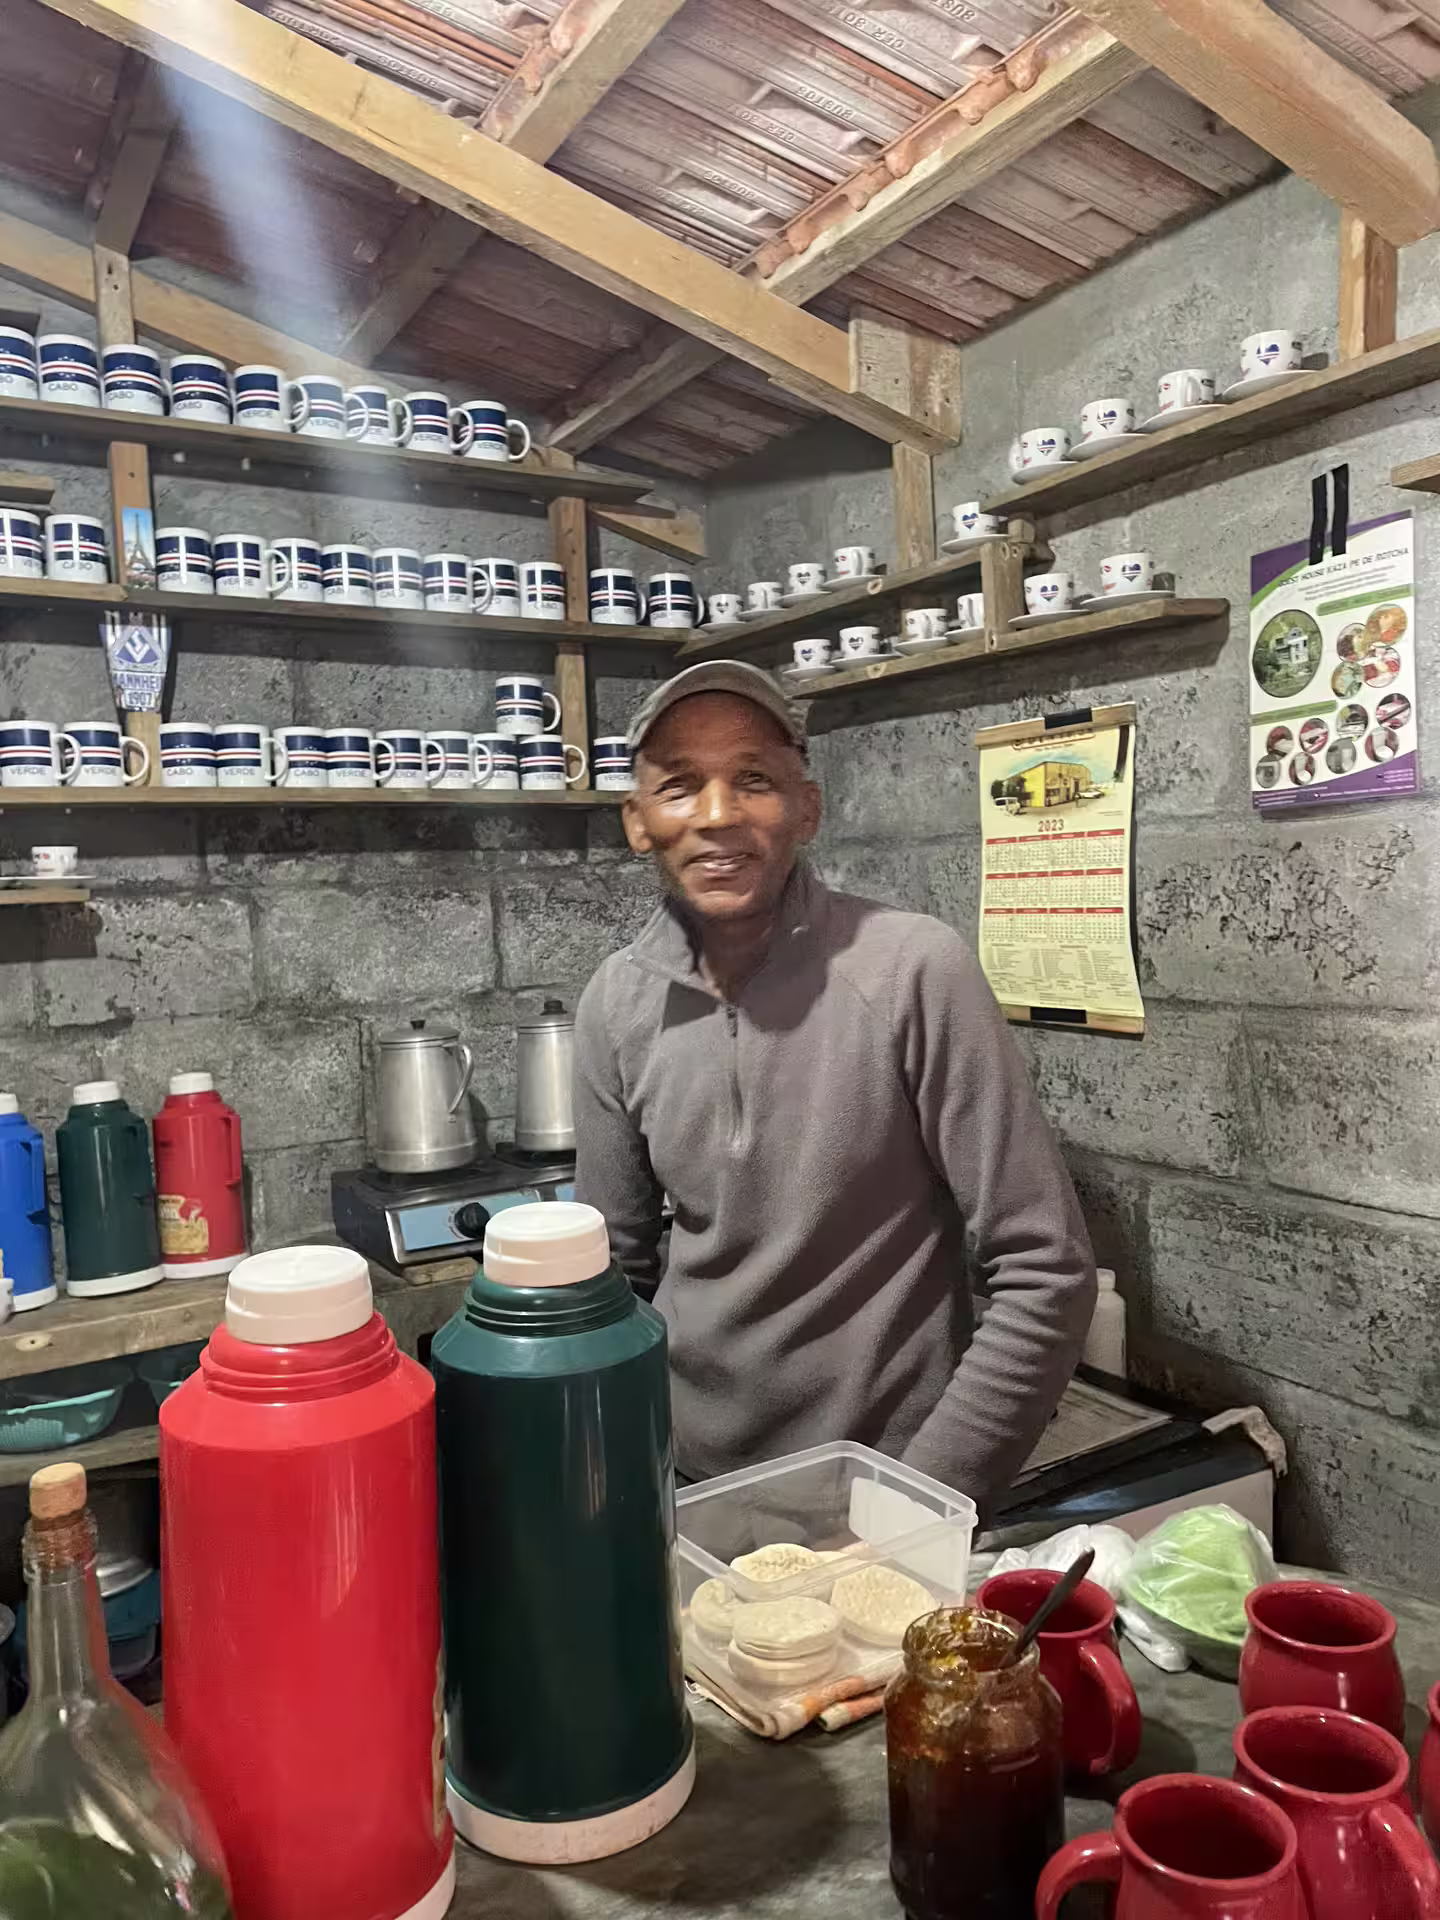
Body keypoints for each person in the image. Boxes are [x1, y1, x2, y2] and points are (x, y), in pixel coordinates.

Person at [573, 660, 1096, 1507]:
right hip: (686, 1484)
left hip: (881, 1484)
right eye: (680, 786)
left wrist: (921, 1500)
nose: (717, 816)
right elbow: (611, 1285)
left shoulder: (912, 970)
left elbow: (1046, 1268)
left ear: (806, 808)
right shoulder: (614, 1003)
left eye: (754, 780)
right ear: (638, 823)